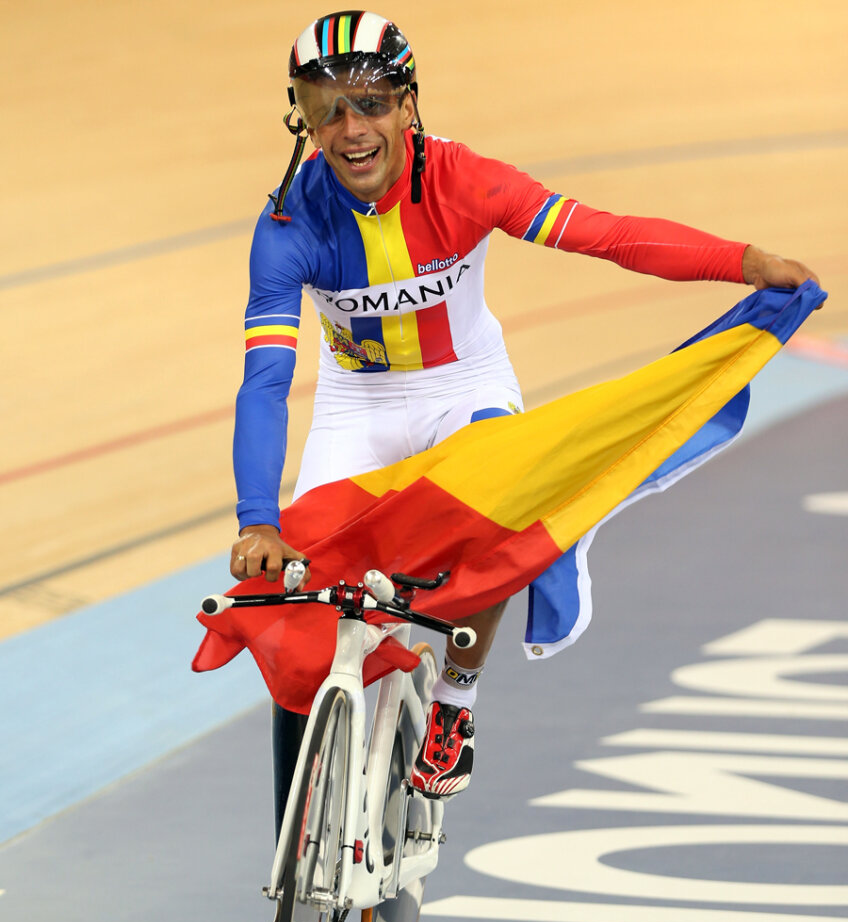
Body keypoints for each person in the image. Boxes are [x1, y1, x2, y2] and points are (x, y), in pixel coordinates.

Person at [231, 10, 819, 816]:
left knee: (493, 519)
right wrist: (258, 518)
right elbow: (265, 381)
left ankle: (456, 702)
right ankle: (290, 859)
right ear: (302, 117)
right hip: (357, 405)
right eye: (325, 105)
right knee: (297, 602)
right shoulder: (288, 225)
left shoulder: (468, 181)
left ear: (408, 105)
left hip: (463, 387)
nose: (350, 127)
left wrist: (744, 261)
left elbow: (607, 237)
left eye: (369, 102)